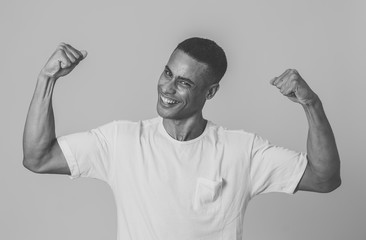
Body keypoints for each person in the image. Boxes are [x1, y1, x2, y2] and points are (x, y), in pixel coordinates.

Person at [23, 37, 341, 239]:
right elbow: (38, 158)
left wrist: (312, 104)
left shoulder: (242, 151)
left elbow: (324, 178)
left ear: (210, 91)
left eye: (184, 82)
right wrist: (46, 79)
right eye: (167, 73)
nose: (167, 88)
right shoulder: (122, 141)